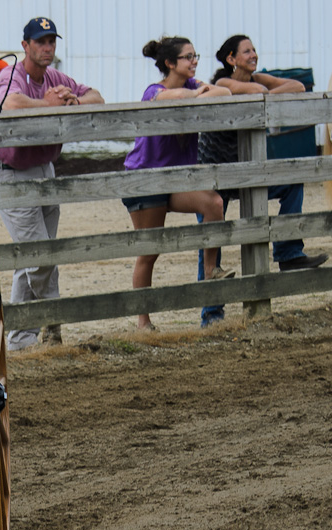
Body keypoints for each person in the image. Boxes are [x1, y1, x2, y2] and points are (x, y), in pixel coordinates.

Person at [196, 34, 327, 326]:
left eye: (254, 49)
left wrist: (267, 84)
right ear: (231, 59)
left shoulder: (256, 77)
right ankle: (212, 316)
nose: (254, 54)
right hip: (213, 176)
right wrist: (266, 85)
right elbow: (253, 89)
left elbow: (298, 86)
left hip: (245, 173)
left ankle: (288, 252)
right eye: (247, 51)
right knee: (210, 245)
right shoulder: (223, 83)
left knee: (292, 183)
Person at [0, 17, 104, 350]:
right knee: (40, 255)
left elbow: (97, 95)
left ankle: (20, 340)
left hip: (45, 169)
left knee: (36, 255)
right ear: (24, 45)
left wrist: (74, 101)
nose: (47, 48)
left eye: (51, 41)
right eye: (40, 42)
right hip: (13, 172)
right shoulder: (10, 76)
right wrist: (49, 104)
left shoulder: (55, 77)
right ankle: (53, 320)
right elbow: (10, 104)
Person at [123, 36, 232, 330]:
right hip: (145, 178)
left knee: (214, 203)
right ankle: (143, 322)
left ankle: (211, 270)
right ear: (170, 64)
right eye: (188, 57)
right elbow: (172, 98)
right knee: (150, 251)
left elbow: (224, 92)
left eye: (195, 55)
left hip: (176, 177)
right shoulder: (154, 91)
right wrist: (201, 93)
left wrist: (204, 92)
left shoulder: (194, 86)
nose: (194, 61)